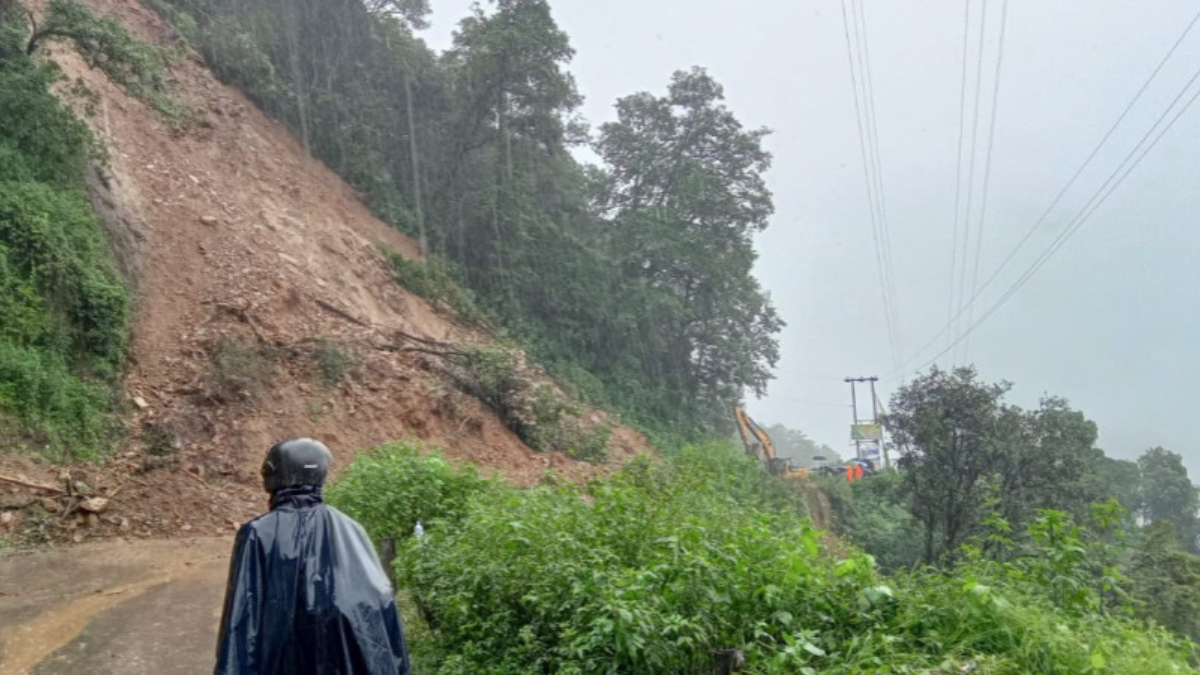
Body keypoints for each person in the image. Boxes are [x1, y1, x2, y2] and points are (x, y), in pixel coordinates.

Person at [215, 438, 411, 674]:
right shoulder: (350, 528)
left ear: (273, 474)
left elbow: (241, 621)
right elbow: (379, 609)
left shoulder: (257, 533)